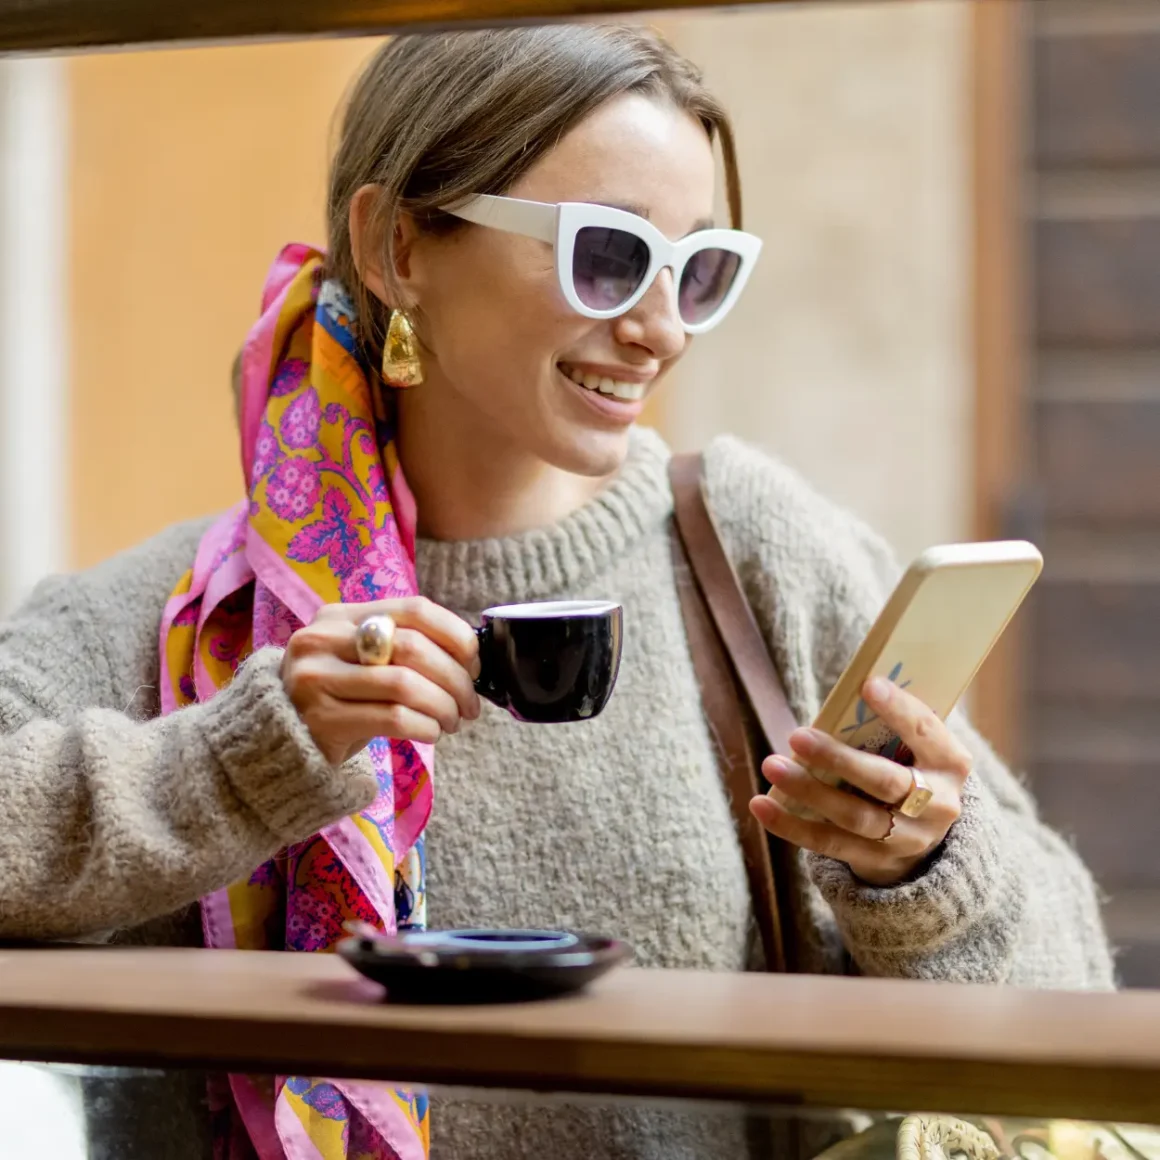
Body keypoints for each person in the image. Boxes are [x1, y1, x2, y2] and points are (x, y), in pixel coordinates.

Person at [0, 24, 1112, 1160]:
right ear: (395, 246)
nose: (660, 327)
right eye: (608, 256)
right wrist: (241, 759)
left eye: (700, 270)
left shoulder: (753, 547)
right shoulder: (197, 611)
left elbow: (1067, 995)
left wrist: (921, 864)